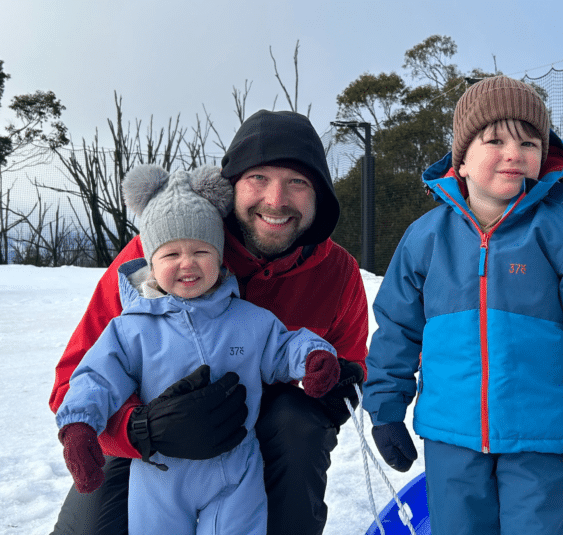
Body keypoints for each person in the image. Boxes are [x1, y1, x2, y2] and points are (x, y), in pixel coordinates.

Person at [49, 110, 369, 535]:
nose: (276, 200)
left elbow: (350, 361)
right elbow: (78, 377)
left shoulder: (337, 273)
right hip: (151, 444)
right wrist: (141, 429)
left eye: (298, 182)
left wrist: (335, 382)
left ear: (320, 195)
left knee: (299, 422)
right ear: (229, 185)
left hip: (259, 444)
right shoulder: (165, 252)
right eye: (258, 178)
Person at [363, 76, 563, 535]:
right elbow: (397, 329)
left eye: (529, 142)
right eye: (495, 140)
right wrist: (387, 406)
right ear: (462, 161)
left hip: (545, 436)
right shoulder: (425, 239)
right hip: (451, 434)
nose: (515, 153)